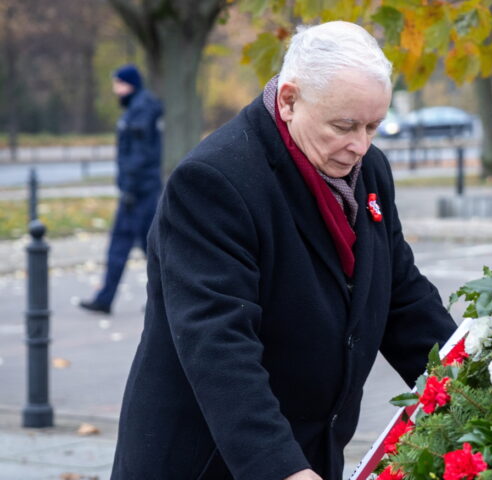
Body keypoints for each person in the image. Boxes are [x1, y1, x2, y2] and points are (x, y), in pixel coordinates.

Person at [110, 22, 457, 480]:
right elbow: (219, 345)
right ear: (289, 100)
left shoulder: (368, 168)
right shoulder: (214, 181)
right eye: (344, 126)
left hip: (309, 453)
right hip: (214, 462)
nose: (360, 145)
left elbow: (402, 298)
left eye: (373, 126)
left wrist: (471, 391)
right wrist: (282, 469)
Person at [79, 64, 162, 315]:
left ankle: (156, 300)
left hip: (138, 191)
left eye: (119, 84)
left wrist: (129, 188)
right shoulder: (140, 107)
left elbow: (138, 155)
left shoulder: (140, 110)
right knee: (147, 247)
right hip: (141, 190)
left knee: (134, 246)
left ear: (130, 84)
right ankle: (113, 299)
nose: (116, 90)